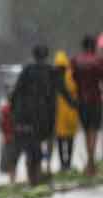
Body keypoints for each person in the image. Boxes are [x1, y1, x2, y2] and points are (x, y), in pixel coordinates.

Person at [12, 44, 75, 185]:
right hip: (47, 117)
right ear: (46, 55)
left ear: (34, 55)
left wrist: (14, 112)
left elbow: (16, 92)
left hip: (30, 116)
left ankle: (33, 177)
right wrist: (76, 105)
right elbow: (63, 91)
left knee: (32, 147)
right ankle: (42, 172)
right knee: (44, 144)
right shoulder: (52, 72)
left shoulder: (27, 71)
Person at [70, 36, 103, 176]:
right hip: (95, 99)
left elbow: (74, 78)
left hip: (82, 101)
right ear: (94, 46)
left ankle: (90, 163)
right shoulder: (98, 61)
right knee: (94, 130)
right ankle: (91, 162)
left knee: (86, 131)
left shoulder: (75, 60)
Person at [52, 50, 79, 173]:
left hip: (60, 113)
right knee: (69, 140)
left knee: (61, 140)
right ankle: (67, 163)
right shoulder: (72, 74)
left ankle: (63, 164)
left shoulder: (54, 76)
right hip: (71, 112)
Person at [0, 91, 18, 184]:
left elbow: (2, 126)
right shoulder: (16, 109)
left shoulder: (4, 110)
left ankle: (12, 181)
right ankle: (12, 180)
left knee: (11, 161)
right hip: (15, 137)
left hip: (7, 138)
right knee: (13, 161)